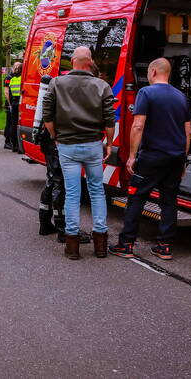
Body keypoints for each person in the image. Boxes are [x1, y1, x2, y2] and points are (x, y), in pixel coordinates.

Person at [110, 58, 191, 261]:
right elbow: (187, 131)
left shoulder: (146, 93)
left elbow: (138, 125)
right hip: (175, 157)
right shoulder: (181, 97)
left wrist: (131, 156)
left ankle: (126, 244)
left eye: (148, 72)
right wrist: (183, 159)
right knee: (169, 201)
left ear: (153, 71)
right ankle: (164, 246)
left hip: (152, 157)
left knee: (137, 197)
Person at [43, 46, 116, 260]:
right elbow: (110, 120)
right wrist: (109, 143)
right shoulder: (102, 85)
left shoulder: (57, 83)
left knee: (73, 193)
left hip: (67, 145)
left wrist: (56, 136)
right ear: (90, 62)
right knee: (97, 191)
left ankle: (72, 244)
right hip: (93, 144)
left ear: (73, 60)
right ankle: (101, 242)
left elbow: (47, 116)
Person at [32, 74, 90, 245]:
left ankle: (44, 223)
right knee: (61, 185)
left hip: (47, 142)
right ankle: (63, 229)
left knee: (51, 181)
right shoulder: (64, 98)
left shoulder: (53, 93)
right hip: (55, 144)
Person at [7, 61, 23, 153]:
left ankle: (14, 145)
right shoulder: (22, 79)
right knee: (19, 124)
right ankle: (20, 146)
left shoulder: (12, 80)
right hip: (20, 102)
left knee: (13, 124)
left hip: (14, 102)